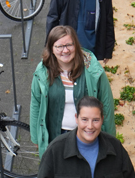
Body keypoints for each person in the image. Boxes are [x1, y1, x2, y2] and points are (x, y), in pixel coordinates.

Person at [30, 25, 115, 159]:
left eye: (69, 44)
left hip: (87, 134)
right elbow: (36, 103)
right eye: (59, 46)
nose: (65, 50)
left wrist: (110, 138)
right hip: (56, 135)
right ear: (51, 49)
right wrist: (36, 136)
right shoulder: (42, 71)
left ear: (76, 45)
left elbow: (106, 103)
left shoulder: (92, 70)